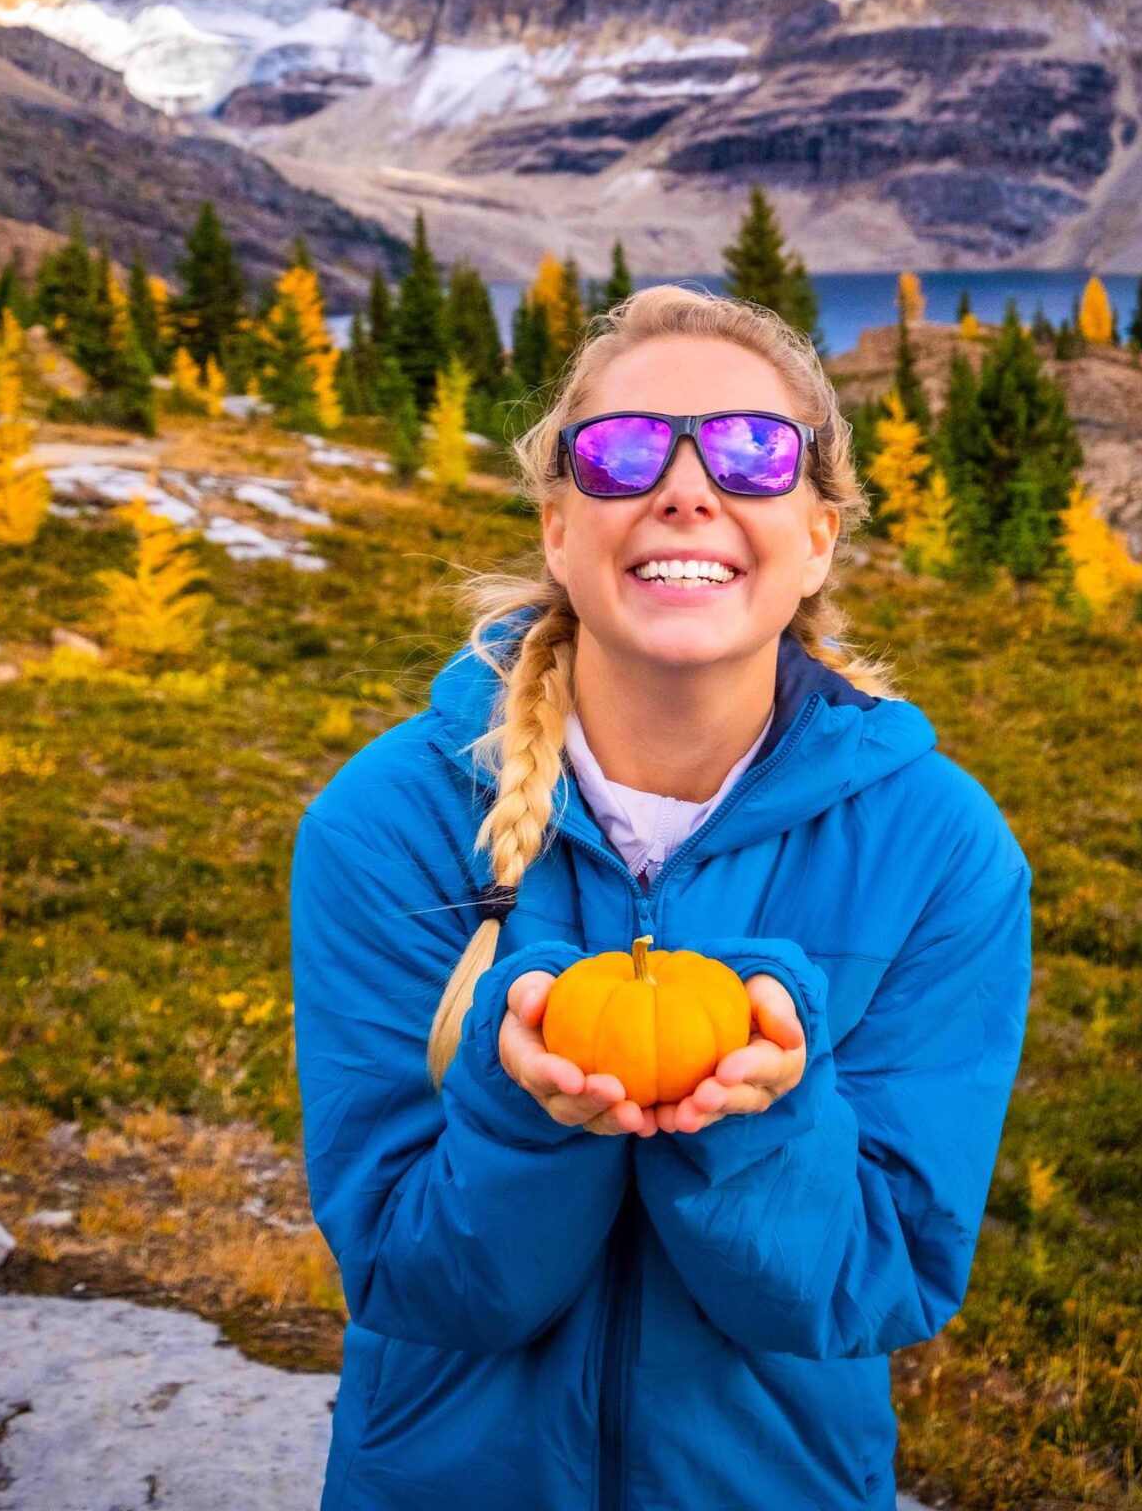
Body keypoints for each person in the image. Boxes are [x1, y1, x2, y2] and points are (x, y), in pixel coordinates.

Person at [291, 281, 1030, 1511]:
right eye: (626, 450)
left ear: (819, 537)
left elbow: (874, 1282)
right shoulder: (388, 824)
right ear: (558, 529)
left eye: (752, 451)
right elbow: (407, 1273)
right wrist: (529, 1117)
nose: (687, 487)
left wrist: (758, 1121)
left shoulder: (940, 848)